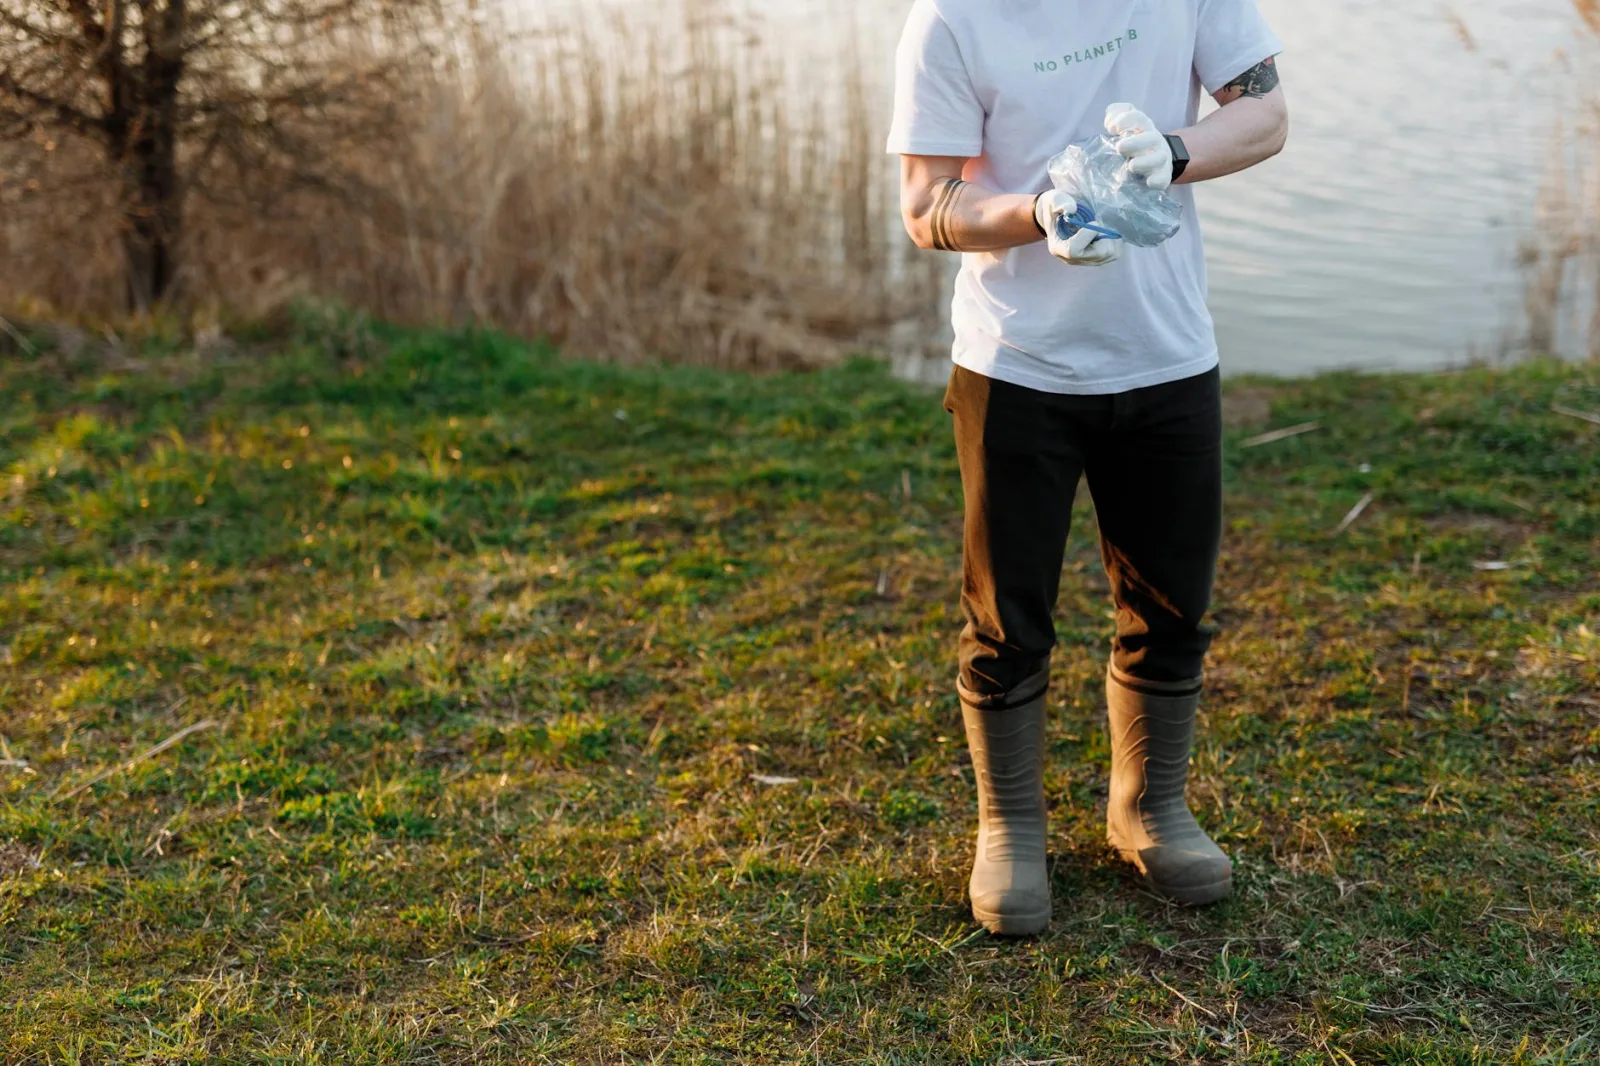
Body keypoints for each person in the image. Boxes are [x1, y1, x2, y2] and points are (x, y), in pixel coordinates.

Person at [888, 0, 1288, 935]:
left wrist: (1173, 153)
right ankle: (1011, 828)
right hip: (1016, 366)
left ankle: (1148, 810)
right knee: (1007, 617)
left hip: (1167, 355)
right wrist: (1035, 213)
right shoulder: (951, 19)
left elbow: (1265, 113)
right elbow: (925, 204)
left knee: (1171, 603)